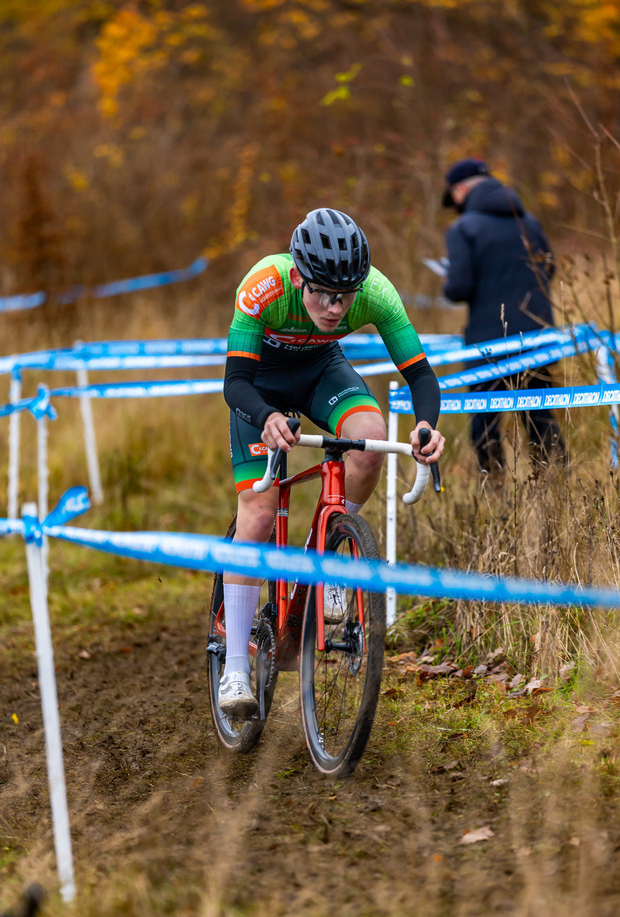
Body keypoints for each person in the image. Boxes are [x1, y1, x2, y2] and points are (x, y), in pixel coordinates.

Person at [219, 207, 445, 717]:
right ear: (299, 275)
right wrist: (268, 417)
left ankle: (331, 545)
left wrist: (427, 427)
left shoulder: (375, 291)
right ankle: (235, 666)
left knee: (371, 438)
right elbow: (234, 383)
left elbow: (421, 376)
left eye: (344, 297)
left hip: (322, 372)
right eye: (322, 293)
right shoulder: (265, 285)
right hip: (260, 386)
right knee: (258, 510)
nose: (334, 307)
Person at [441, 158, 566, 478]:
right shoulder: (529, 222)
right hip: (538, 333)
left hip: (488, 341)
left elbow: (458, 288)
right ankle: (556, 487)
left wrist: (449, 281)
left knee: (484, 420)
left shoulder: (463, 228)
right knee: (539, 415)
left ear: (460, 190)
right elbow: (548, 269)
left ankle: (493, 489)